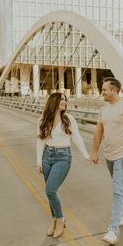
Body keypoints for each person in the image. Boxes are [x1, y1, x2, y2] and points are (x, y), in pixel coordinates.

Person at [90, 77, 123, 244]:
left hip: (122, 155)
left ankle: (113, 230)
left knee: (117, 190)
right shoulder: (104, 110)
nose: (102, 92)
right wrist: (94, 152)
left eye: (104, 89)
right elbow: (98, 132)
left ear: (114, 90)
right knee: (121, 185)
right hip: (108, 156)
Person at [37, 92, 90, 238]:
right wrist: (38, 161)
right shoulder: (43, 119)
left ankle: (60, 219)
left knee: (50, 190)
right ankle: (54, 221)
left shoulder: (69, 119)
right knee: (50, 192)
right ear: (53, 101)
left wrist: (86, 155)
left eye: (65, 100)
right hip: (47, 156)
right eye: (61, 99)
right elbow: (40, 141)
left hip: (63, 157)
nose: (64, 102)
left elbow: (77, 138)